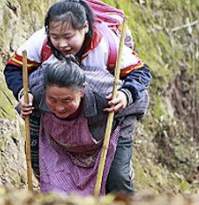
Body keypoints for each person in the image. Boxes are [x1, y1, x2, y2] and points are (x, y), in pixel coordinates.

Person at [4, 0, 152, 194]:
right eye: (55, 37)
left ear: (85, 28)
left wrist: (126, 95)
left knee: (117, 177)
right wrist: (23, 93)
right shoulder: (41, 42)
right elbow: (14, 69)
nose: (62, 44)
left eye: (68, 37)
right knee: (45, 169)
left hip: (110, 113)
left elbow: (141, 72)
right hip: (57, 117)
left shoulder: (108, 47)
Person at [29, 56, 149, 196]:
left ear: (82, 91)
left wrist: (125, 97)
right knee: (55, 187)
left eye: (67, 100)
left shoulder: (105, 94)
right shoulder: (36, 92)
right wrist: (24, 100)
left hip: (107, 133)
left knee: (117, 180)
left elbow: (141, 100)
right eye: (52, 100)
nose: (59, 107)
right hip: (62, 139)